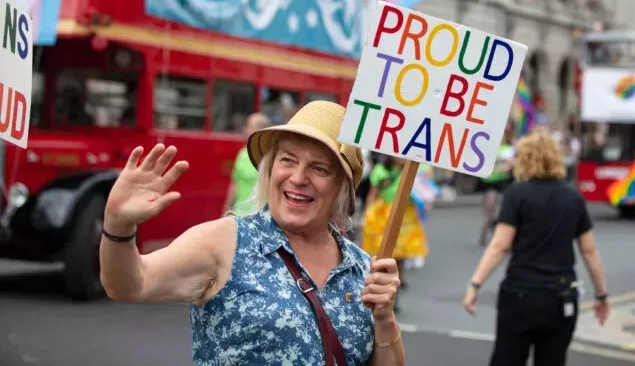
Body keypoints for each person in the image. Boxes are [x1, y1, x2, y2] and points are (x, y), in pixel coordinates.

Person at [100, 101, 405, 366]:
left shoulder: (363, 269)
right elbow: (130, 284)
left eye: (319, 169)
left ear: (341, 188)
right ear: (271, 169)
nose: (298, 178)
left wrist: (385, 320)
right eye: (287, 160)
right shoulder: (225, 242)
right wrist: (118, 225)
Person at [462, 131, 610, 366]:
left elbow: (500, 245)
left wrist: (475, 285)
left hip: (520, 293)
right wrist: (601, 295)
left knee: (507, 359)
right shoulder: (573, 198)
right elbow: (589, 251)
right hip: (561, 296)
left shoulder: (516, 195)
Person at [360, 156, 428, 303]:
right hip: (383, 215)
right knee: (385, 253)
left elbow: (425, 191)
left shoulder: (416, 170)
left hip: (405, 214)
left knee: (401, 252)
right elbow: (373, 193)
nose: (401, 158)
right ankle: (383, 286)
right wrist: (366, 214)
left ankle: (397, 281)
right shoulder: (380, 170)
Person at [221, 113, 271, 215]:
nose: (245, 130)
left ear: (259, 130)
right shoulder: (242, 153)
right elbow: (234, 184)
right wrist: (226, 211)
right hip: (239, 215)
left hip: (259, 218)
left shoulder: (271, 157)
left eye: (249, 126)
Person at [478, 127, 515, 246]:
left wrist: (498, 165)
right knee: (489, 208)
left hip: (503, 182)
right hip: (489, 182)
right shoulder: (488, 147)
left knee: (500, 208)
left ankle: (497, 232)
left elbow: (509, 165)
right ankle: (486, 227)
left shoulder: (508, 149)